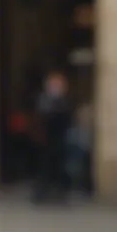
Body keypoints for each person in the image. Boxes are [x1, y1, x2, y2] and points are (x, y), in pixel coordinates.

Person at [31, 71, 75, 205]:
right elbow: (41, 117)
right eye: (54, 84)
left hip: (60, 138)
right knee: (44, 165)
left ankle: (59, 192)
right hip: (45, 138)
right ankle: (41, 192)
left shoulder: (64, 100)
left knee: (59, 165)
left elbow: (68, 117)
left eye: (59, 84)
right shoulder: (44, 99)